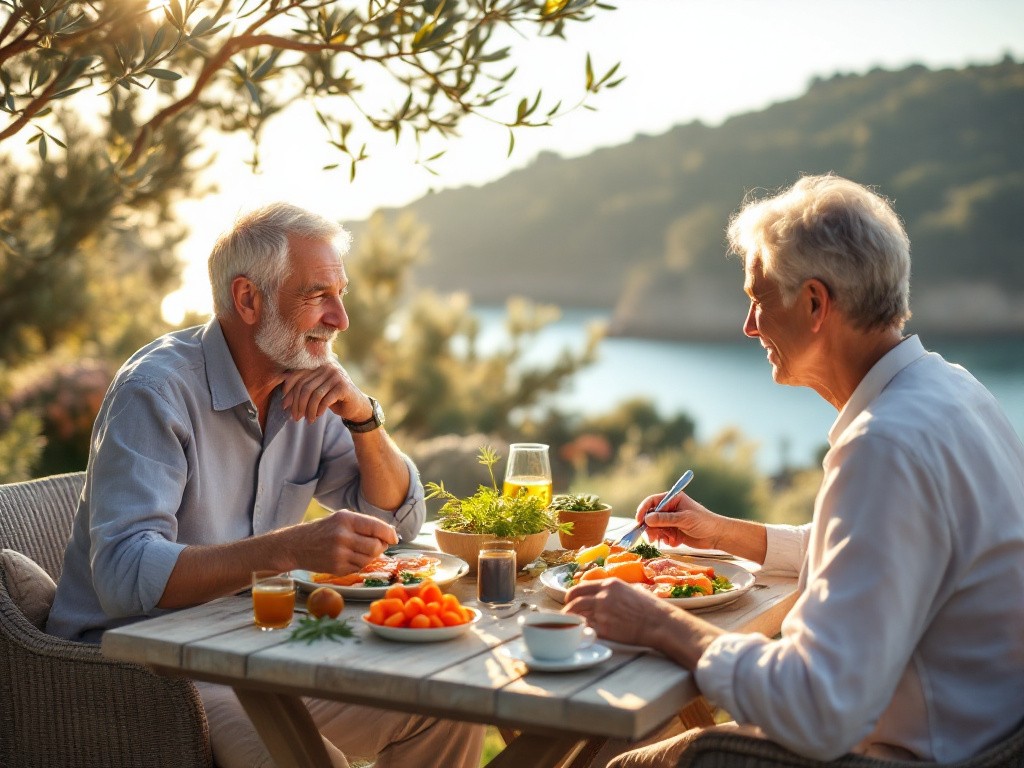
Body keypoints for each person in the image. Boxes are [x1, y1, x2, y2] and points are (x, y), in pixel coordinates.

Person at [565, 174, 1024, 766]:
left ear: (814, 303)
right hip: (986, 737)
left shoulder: (885, 445)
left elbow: (817, 708)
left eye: (759, 298)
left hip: (914, 754)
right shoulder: (953, 393)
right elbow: (878, 554)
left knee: (616, 759)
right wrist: (726, 534)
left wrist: (660, 624)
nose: (749, 325)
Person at [46, 203, 485, 768]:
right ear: (249, 299)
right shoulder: (155, 392)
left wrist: (363, 418)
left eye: (341, 294)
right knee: (304, 758)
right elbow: (126, 575)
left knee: (442, 707)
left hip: (248, 650)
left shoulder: (305, 381)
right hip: (136, 673)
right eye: (317, 295)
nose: (340, 319)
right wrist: (287, 550)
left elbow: (398, 523)